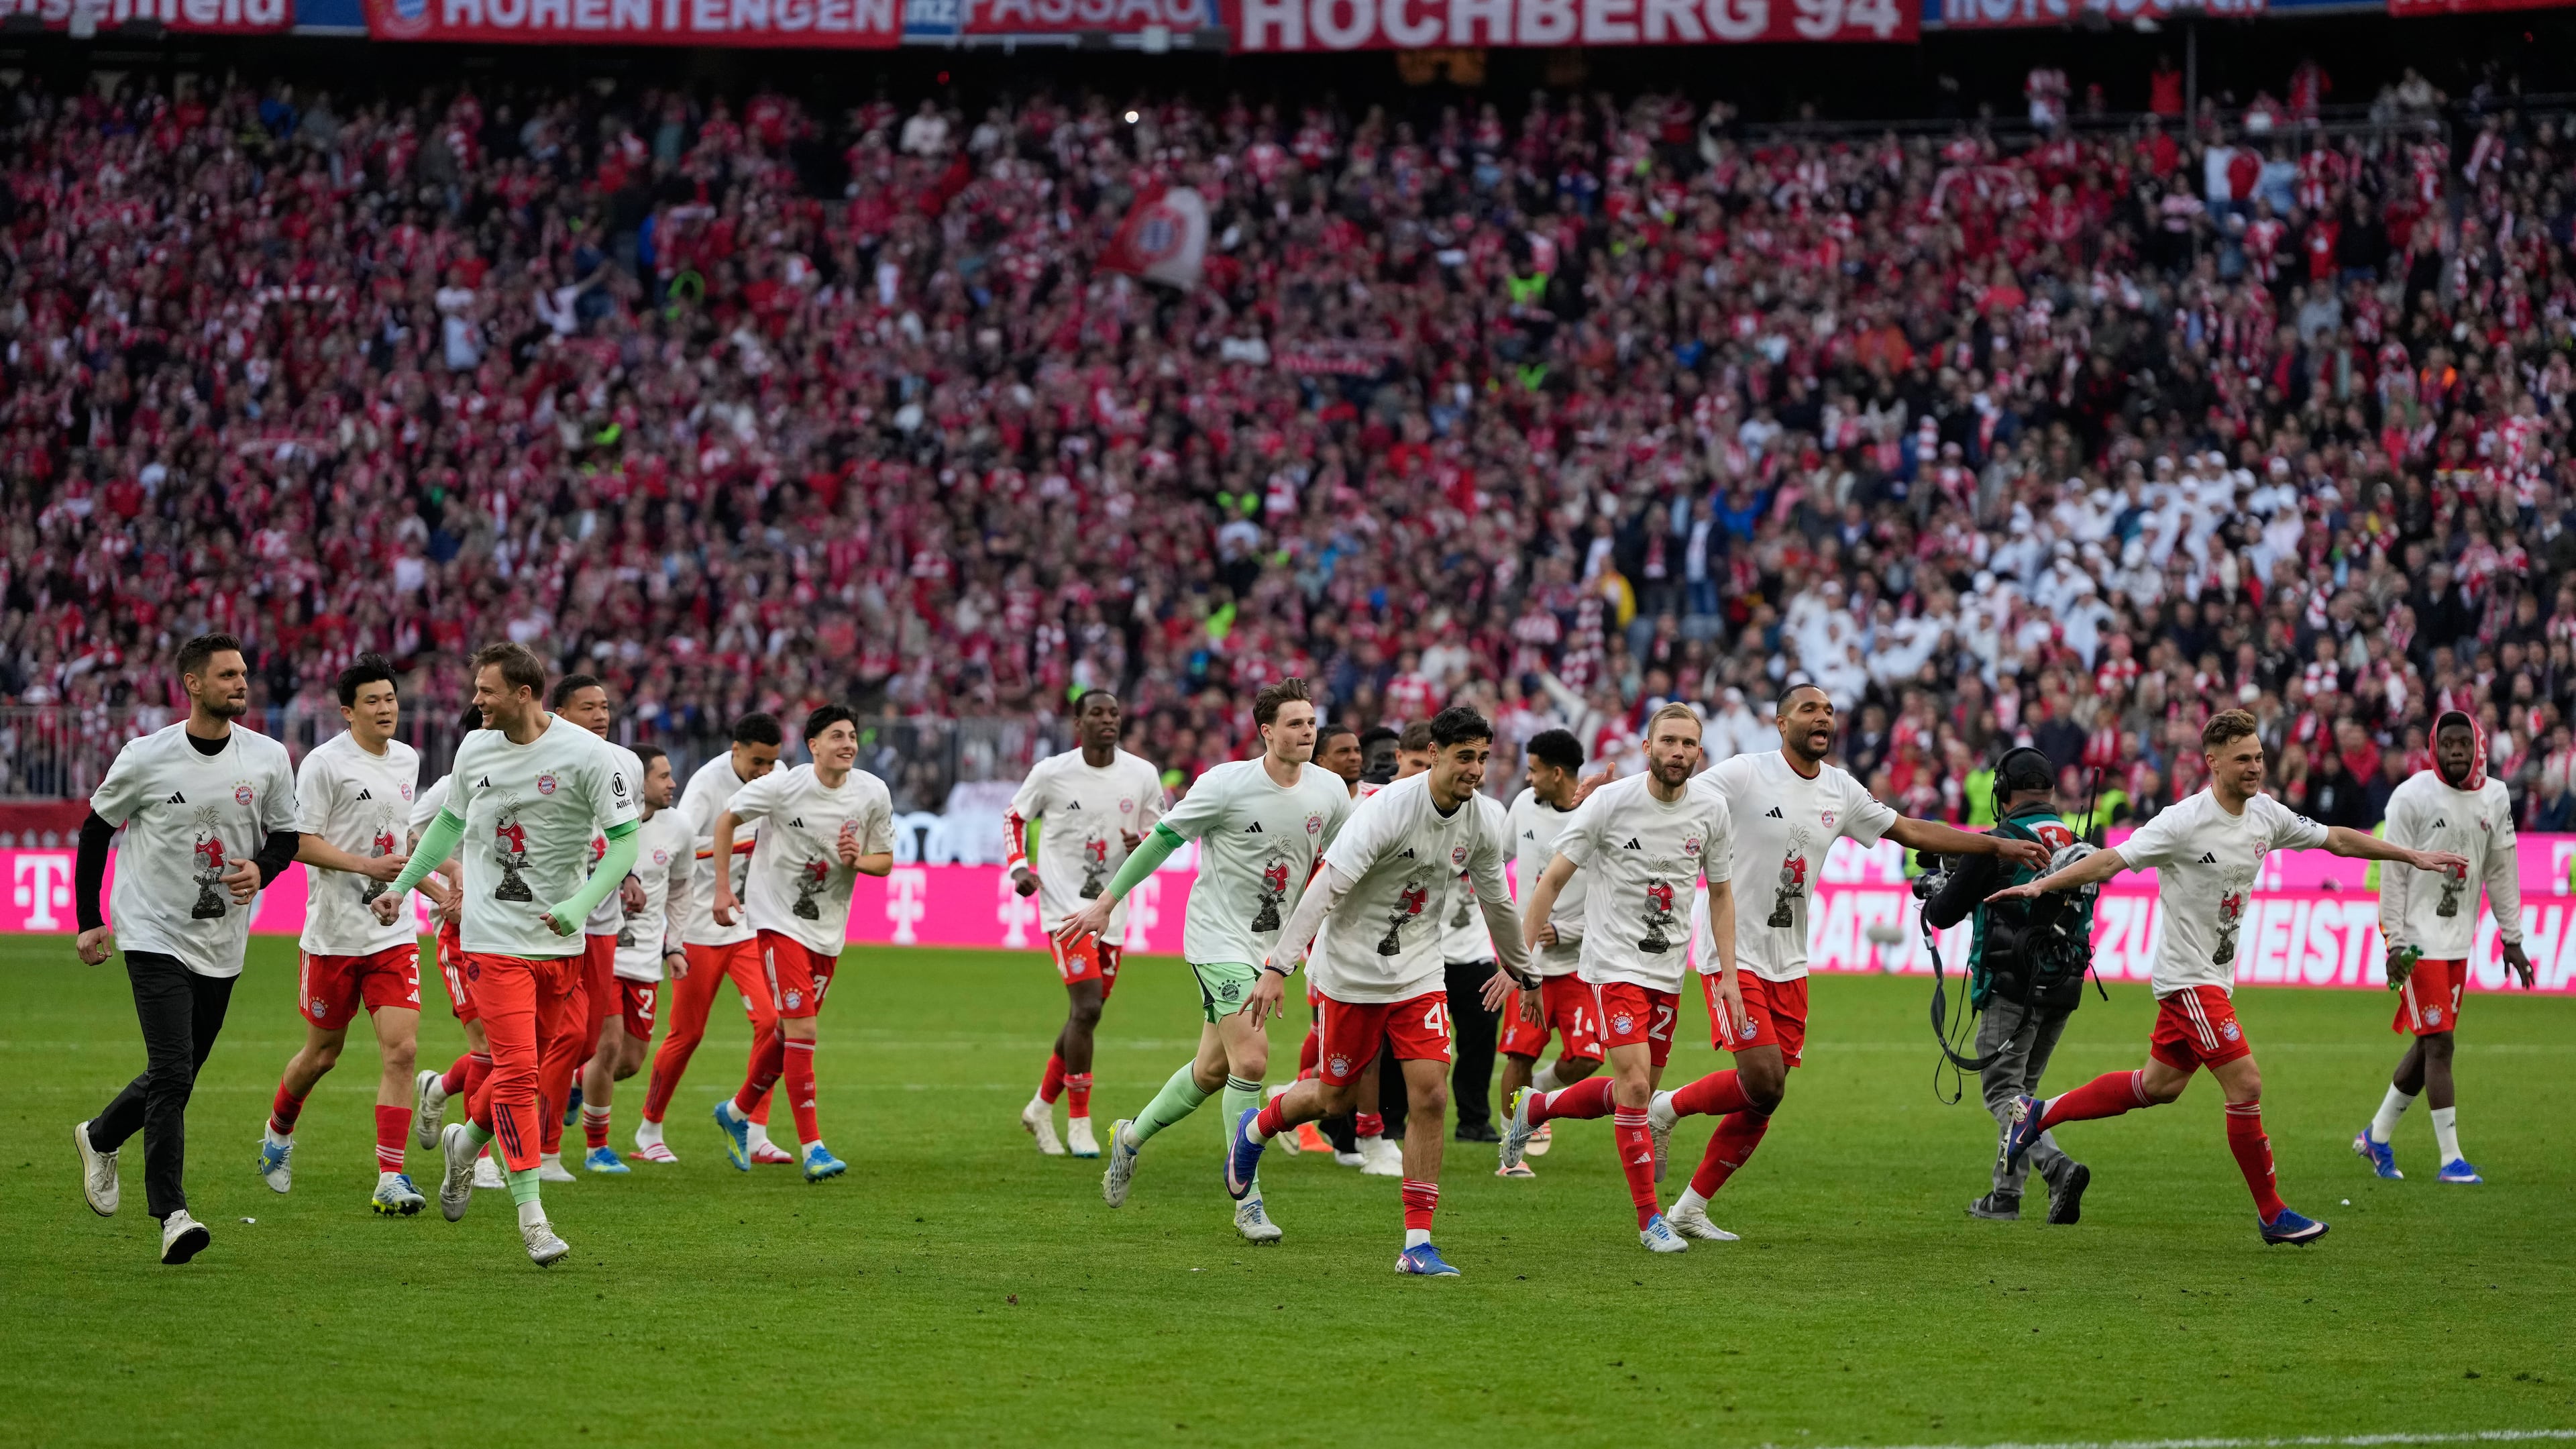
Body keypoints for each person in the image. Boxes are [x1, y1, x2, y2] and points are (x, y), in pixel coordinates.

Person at [1992, 709, 2466, 1246]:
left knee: (2157, 1086)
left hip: (2214, 976)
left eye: (2259, 757)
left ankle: (2037, 1112)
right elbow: (2109, 862)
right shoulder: (2182, 821)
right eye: (2244, 759)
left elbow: (2334, 838)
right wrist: (2041, 886)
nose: (2256, 767)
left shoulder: (2266, 814)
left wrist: (2409, 855)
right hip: (2188, 979)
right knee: (2246, 1083)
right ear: (2212, 763)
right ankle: (2272, 1213)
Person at [1653, 683, 2050, 1240]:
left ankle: (1690, 1208)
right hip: (1731, 949)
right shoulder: (1744, 773)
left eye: (1829, 711)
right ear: (1780, 722)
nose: (1823, 718)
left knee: (1768, 1096)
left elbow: (1910, 830)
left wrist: (1995, 845)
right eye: (1809, 710)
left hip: (1789, 959)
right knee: (1763, 1079)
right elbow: (1672, 792)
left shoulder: (1841, 790)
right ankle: (1666, 1107)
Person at [1229, 706, 1533, 1277]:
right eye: (1464, 757)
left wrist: (1522, 969)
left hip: (1419, 973)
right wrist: (1278, 967)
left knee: (1430, 1095)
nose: (1475, 770)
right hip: (1349, 974)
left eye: (1484, 759)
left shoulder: (1482, 821)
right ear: (1435, 755)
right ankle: (1257, 1128)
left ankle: (1417, 1243)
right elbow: (1324, 891)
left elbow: (1497, 901)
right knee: (1334, 1099)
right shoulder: (1387, 812)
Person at [1059, 677, 1350, 1242]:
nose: (1307, 732)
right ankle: (1249, 1201)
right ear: (1266, 732)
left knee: (1213, 1071)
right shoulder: (1225, 785)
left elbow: (1336, 867)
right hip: (1217, 940)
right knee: (1254, 1061)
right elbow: (1164, 839)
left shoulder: (1330, 792)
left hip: (1270, 947)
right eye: (1295, 723)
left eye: (1312, 722)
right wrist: (1107, 902)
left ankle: (1130, 1137)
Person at [381, 641, 642, 1266]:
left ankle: (465, 1143)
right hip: (492, 939)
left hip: (559, 943)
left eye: (486, 691)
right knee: (520, 1074)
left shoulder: (589, 756)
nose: (476, 701)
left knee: (517, 1069)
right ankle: (533, 1221)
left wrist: (579, 906)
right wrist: (398, 888)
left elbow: (626, 842)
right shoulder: (475, 748)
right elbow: (447, 826)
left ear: (524, 695)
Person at [71, 633, 299, 1265]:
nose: (242, 683)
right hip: (150, 931)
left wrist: (263, 868)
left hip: (221, 941)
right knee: (172, 1070)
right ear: (193, 684)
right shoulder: (146, 756)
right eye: (227, 674)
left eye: (244, 673)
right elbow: (96, 830)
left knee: (181, 1074)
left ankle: (100, 1135)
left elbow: (285, 836)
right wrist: (90, 919)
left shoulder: (269, 757)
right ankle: (172, 1214)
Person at [1501, 704, 1737, 1252]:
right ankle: (1650, 1220)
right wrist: (1521, 960)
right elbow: (1551, 880)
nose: (1678, 752)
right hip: (1613, 966)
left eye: (1688, 744)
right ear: (1647, 747)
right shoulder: (1610, 802)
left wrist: (1726, 970)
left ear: (1699, 753)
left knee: (1637, 1093)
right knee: (1634, 1089)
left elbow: (1722, 894)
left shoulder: (1711, 809)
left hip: (1667, 970)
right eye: (1669, 741)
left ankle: (1538, 1107)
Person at [258, 654, 425, 1216]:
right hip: (333, 937)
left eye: (391, 698)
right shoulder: (324, 765)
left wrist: (428, 881)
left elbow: (402, 840)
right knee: (323, 1055)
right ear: (347, 711)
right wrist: (366, 867)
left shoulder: (408, 759)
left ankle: (391, 1176)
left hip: (393, 931)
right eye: (373, 701)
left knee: (402, 1051)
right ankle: (279, 1130)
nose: (386, 709)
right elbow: (299, 842)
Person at [708, 704, 896, 1183]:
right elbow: (727, 821)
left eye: (853, 736)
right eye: (837, 736)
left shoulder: (872, 792)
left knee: (787, 1033)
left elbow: (885, 861)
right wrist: (724, 888)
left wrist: (858, 860)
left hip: (828, 930)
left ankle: (737, 1109)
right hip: (777, 921)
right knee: (804, 1031)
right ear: (813, 745)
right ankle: (813, 1148)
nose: (848, 744)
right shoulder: (782, 786)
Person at [2355, 710, 2530, 1184]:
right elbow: (2392, 872)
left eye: (2463, 743)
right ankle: (2451, 1159)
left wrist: (2511, 937)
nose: (2456, 751)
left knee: (2428, 1042)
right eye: (2447, 743)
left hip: (2458, 942)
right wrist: (2393, 939)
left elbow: (2501, 869)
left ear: (2478, 747)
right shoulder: (2411, 796)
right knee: (2441, 1043)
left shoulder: (2494, 797)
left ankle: (2377, 1137)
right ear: (2435, 746)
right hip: (2415, 941)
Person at [1920, 747, 2093, 1224]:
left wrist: (1938, 889)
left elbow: (1943, 914)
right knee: (2022, 1091)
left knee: (2001, 1093)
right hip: (2066, 981)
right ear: (2051, 790)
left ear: (2002, 791)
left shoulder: (2002, 839)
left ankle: (2057, 1168)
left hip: (2013, 983)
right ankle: (2005, 1196)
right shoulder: (2076, 838)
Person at [1008, 690, 1167, 1159]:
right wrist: (1019, 866)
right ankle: (1079, 1123)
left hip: (1112, 912)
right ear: (1078, 722)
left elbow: (1161, 836)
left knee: (1084, 1016)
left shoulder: (1142, 775)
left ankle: (1039, 1108)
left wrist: (1141, 843)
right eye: (1096, 713)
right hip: (1064, 910)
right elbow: (1014, 817)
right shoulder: (1052, 773)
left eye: (1114, 712)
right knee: (1088, 1008)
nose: (1108, 720)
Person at [637, 712, 786, 1165]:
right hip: (700, 927)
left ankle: (754, 1128)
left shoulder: (776, 776)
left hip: (745, 924)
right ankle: (649, 1129)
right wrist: (741, 843)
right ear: (735, 750)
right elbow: (681, 845)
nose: (765, 772)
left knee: (773, 1024)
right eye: (757, 762)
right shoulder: (705, 786)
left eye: (771, 763)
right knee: (688, 1034)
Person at [545, 674, 647, 1181]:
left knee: (585, 1044)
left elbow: (626, 832)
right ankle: (538, 1150)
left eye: (604, 706)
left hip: (603, 924)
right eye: (588, 707)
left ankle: (454, 1087)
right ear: (560, 713)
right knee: (555, 1039)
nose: (601, 715)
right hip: (551, 923)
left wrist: (627, 875)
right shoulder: (542, 757)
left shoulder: (627, 763)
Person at [576, 744, 696, 1175]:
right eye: (662, 776)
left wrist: (675, 944)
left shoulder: (679, 827)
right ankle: (597, 1147)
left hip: (647, 957)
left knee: (628, 1062)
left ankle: (576, 1085)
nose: (672, 783)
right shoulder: (598, 821)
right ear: (636, 783)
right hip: (602, 948)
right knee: (605, 1048)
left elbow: (682, 890)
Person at [1495, 728, 1601, 1177]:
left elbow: (1613, 894)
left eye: (1534, 770)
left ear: (1557, 774)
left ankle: (1535, 1098)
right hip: (1529, 965)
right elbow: (1496, 858)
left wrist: (1568, 930)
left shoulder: (1597, 818)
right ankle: (1510, 1154)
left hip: (1579, 965)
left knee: (1589, 1056)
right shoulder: (1522, 807)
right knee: (1519, 1056)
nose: (1527, 778)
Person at [408, 705, 496, 1188]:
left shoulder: (518, 786)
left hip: (510, 935)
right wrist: (445, 889)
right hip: (461, 938)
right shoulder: (450, 788)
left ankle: (438, 1089)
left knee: (507, 1051)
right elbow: (407, 835)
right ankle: (477, 1156)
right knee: (487, 1048)